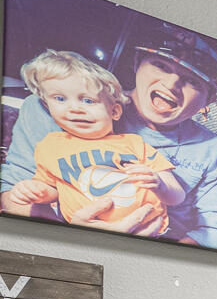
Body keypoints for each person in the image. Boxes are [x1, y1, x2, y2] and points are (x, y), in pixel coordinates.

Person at [0, 22, 217, 252]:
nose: (171, 84)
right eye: (161, 65)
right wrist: (71, 235)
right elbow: (13, 192)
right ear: (138, 62)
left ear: (209, 99)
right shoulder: (56, 107)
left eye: (193, 80)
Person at [1, 50, 183, 232]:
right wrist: (36, 192)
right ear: (48, 106)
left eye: (88, 100)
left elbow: (177, 196)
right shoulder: (48, 147)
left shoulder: (134, 143)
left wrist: (160, 185)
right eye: (60, 99)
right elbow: (53, 191)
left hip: (148, 232)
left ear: (115, 112)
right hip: (83, 235)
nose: (74, 108)